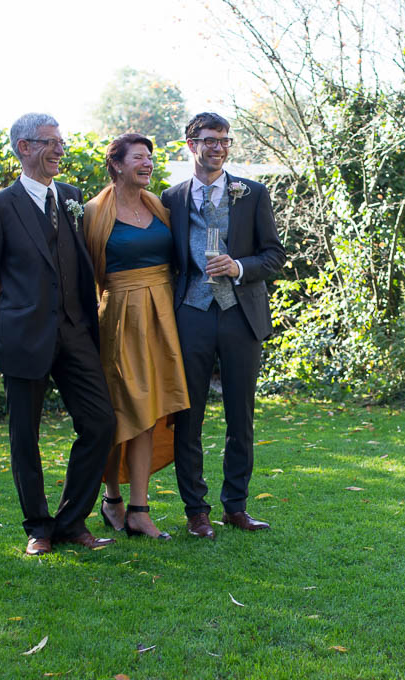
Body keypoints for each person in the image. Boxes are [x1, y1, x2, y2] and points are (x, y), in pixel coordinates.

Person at [0, 112, 116, 556]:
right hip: (22, 337)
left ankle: (72, 522)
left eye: (60, 142)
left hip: (74, 333)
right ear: (24, 148)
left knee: (100, 422)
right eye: (49, 143)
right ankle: (39, 527)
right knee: (24, 437)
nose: (59, 150)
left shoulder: (71, 198)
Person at [161, 112, 286, 539]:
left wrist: (237, 266)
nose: (218, 147)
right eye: (210, 140)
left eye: (225, 141)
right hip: (191, 316)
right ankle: (196, 510)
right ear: (191, 143)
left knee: (241, 416)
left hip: (240, 316)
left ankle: (236, 506)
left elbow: (273, 256)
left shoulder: (252, 193)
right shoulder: (170, 198)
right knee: (188, 416)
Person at [82, 133, 190, 540]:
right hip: (119, 319)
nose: (147, 164)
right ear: (117, 165)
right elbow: (88, 275)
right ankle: (112, 499)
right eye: (139, 158)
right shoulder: (94, 213)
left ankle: (139, 510)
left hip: (162, 316)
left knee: (151, 412)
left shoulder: (158, 207)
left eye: (150, 158)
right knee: (120, 410)